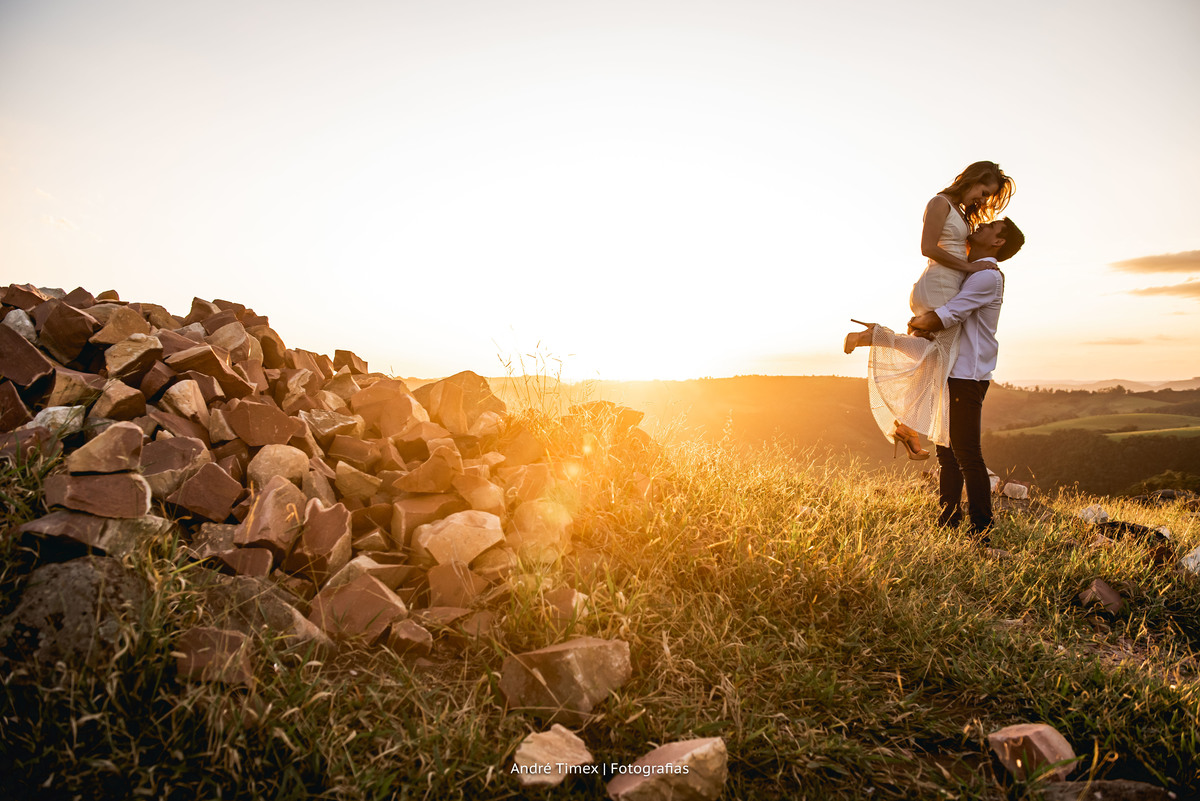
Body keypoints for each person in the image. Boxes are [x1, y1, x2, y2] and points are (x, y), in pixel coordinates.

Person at [844, 162, 1015, 458]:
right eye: (984, 192)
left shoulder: (959, 210)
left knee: (935, 359)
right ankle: (874, 339)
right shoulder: (940, 203)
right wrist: (969, 268)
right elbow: (928, 247)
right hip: (941, 282)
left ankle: (906, 426)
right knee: (941, 356)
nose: (983, 200)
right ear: (973, 179)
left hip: (943, 281)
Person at [908, 217, 1025, 541]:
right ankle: (948, 520)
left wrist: (917, 323)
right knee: (946, 452)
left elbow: (948, 315)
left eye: (991, 226)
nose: (981, 225)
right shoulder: (974, 272)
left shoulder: (987, 276)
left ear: (998, 242)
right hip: (953, 371)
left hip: (966, 375)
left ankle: (981, 529)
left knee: (967, 455)